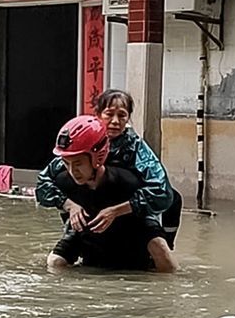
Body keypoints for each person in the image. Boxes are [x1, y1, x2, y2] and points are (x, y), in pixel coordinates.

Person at [37, 89, 182, 249]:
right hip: (87, 208)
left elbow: (161, 191)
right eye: (109, 114)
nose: (115, 121)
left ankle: (166, 242)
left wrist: (118, 210)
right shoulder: (82, 142)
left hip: (129, 210)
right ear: (98, 115)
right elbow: (43, 184)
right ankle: (73, 232)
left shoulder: (134, 147)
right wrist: (68, 204)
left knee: (173, 203)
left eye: (122, 115)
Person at [44, 115, 177, 274]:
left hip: (133, 222)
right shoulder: (62, 174)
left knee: (161, 253)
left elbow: (165, 196)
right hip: (89, 222)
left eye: (78, 164)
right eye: (67, 164)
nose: (72, 171)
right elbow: (42, 188)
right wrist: (69, 205)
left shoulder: (130, 174)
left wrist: (116, 210)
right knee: (55, 262)